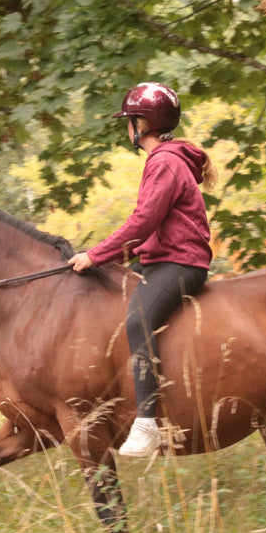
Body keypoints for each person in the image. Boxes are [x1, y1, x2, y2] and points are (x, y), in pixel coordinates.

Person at [68, 82, 217, 457]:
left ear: (142, 124)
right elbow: (148, 227)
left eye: (129, 121)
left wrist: (96, 255)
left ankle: (147, 424)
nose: (127, 128)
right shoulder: (164, 159)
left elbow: (144, 221)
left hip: (181, 262)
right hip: (160, 257)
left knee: (137, 321)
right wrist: (105, 259)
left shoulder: (164, 162)